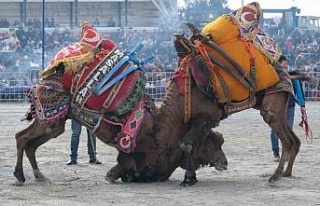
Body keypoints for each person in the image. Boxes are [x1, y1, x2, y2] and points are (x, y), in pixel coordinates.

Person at [270, 55, 306, 162]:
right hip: (276, 107)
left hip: (290, 106)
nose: (285, 68)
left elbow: (298, 90)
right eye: (283, 65)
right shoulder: (273, 76)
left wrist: (302, 105)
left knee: (288, 129)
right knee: (275, 129)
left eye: (286, 66)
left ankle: (286, 152)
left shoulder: (291, 76)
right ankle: (276, 152)